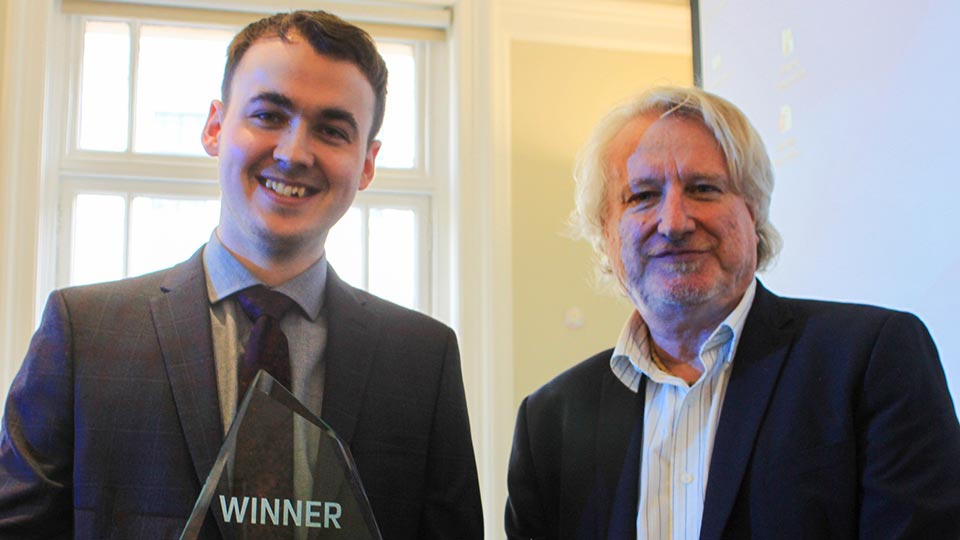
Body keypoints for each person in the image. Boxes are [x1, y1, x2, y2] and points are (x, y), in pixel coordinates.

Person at [0, 10, 482, 539]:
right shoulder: (84, 334)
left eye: (332, 130)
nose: (294, 153)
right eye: (269, 116)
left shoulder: (422, 360)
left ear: (366, 163)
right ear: (214, 126)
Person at [504, 86, 960, 539]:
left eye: (703, 189)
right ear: (605, 232)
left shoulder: (872, 359)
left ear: (754, 213)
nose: (674, 222)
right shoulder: (550, 421)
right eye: (642, 195)